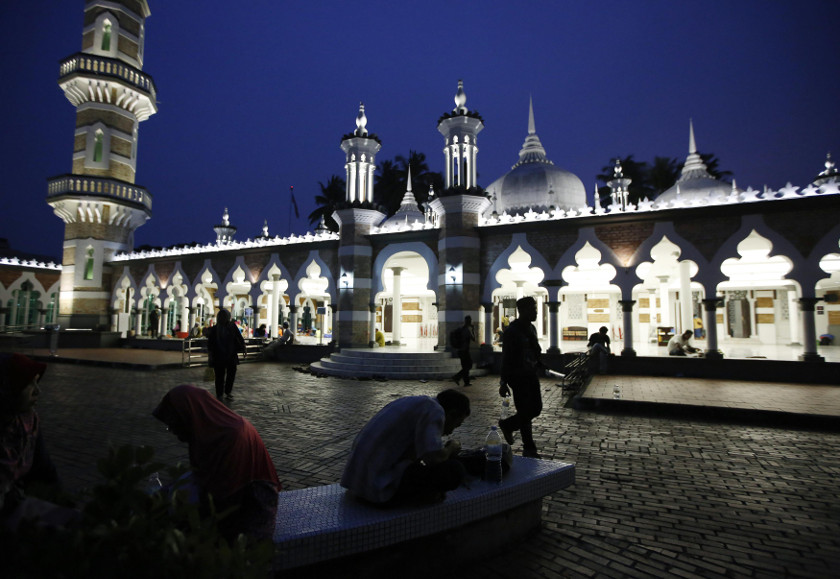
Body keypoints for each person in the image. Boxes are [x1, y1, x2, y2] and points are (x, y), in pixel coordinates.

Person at [152, 384, 280, 541]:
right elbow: (203, 476)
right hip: (229, 498)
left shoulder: (231, 436)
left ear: (187, 415)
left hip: (252, 503)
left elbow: (225, 497)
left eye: (173, 424)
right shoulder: (206, 430)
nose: (172, 430)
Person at [341, 389, 470, 506]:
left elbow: (414, 456)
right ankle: (417, 498)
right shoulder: (435, 410)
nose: (451, 431)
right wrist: (452, 447)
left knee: (447, 463)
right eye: (456, 425)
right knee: (453, 469)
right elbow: (434, 458)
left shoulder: (417, 403)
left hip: (357, 484)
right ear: (452, 414)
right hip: (377, 488)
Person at [1, 354, 74, 530]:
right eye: (29, 384)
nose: (37, 391)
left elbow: (44, 470)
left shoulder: (27, 423)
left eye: (36, 382)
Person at [498, 297, 543, 458]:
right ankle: (529, 448)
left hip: (531, 373)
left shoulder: (531, 328)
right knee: (525, 410)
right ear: (523, 311)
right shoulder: (513, 331)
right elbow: (506, 357)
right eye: (533, 309)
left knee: (535, 408)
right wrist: (503, 382)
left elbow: (534, 351)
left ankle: (508, 425)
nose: (536, 312)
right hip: (518, 376)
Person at [207, 309, 246, 400]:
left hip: (230, 355)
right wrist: (210, 356)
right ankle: (220, 393)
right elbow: (210, 344)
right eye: (221, 316)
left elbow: (239, 338)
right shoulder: (215, 329)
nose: (222, 318)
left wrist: (243, 347)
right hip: (219, 356)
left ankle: (227, 392)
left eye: (224, 316)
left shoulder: (232, 327)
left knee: (230, 374)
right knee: (219, 376)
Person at [451, 316, 475, 386]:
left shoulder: (463, 329)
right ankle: (456, 377)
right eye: (470, 320)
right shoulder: (466, 330)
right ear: (469, 321)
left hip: (461, 351)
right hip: (464, 351)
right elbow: (473, 339)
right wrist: (473, 330)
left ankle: (466, 382)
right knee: (469, 365)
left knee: (465, 367)